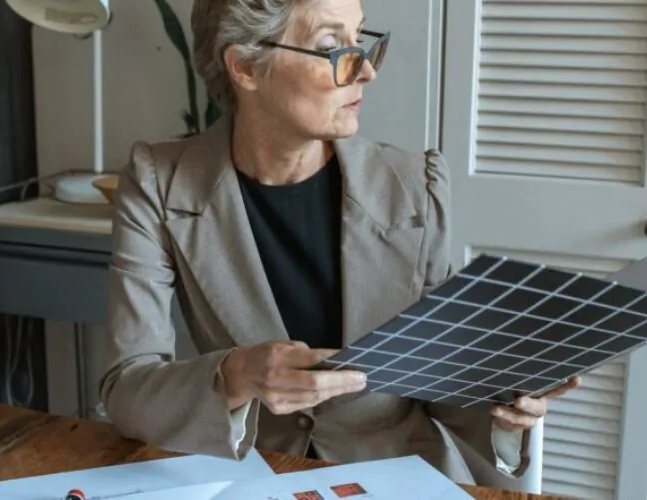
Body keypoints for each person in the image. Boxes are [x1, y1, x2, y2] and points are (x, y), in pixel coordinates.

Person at [97, 0, 581, 486]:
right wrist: (235, 376)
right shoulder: (159, 182)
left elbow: (440, 383)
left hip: (397, 475)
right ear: (245, 66)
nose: (366, 70)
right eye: (332, 47)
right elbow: (126, 388)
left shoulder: (418, 184)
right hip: (249, 475)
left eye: (362, 39)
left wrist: (503, 405)